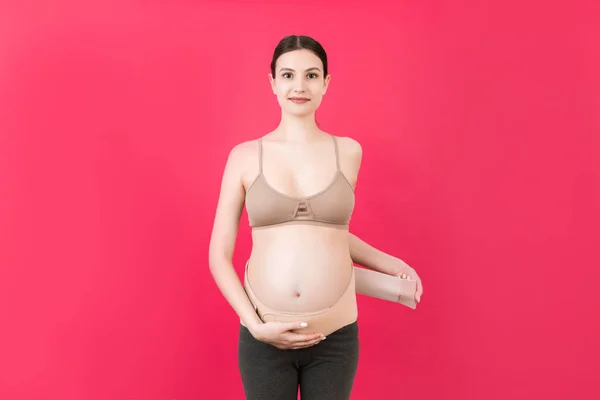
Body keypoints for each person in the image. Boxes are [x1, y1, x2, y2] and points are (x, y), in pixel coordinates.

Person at [208, 34, 424, 400]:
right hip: (265, 334)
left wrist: (391, 263)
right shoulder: (244, 156)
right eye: (288, 75)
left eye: (311, 75)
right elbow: (219, 255)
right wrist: (253, 324)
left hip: (335, 336)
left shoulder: (348, 152)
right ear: (272, 82)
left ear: (326, 83)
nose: (299, 86)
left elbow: (327, 233)